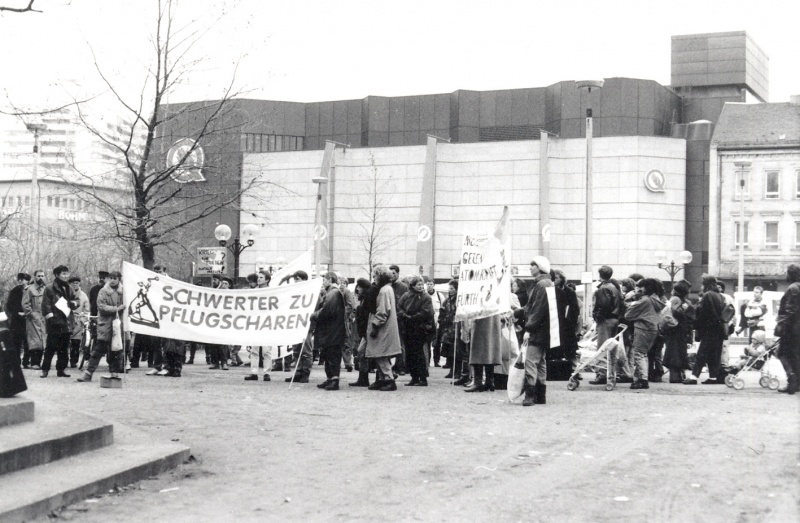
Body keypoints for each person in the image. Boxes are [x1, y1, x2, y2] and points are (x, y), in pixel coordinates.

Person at [518, 256, 555, 406]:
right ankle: (541, 395)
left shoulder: (540, 285)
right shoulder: (547, 283)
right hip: (546, 330)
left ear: (539, 267)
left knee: (531, 361)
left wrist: (529, 328)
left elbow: (537, 309)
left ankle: (530, 395)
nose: (530, 268)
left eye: (533, 265)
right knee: (541, 362)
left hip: (537, 330)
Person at [77, 271, 125, 382]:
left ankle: (114, 373)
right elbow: (101, 306)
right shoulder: (103, 291)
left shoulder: (124, 292)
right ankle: (88, 373)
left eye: (115, 278)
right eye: (110, 278)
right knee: (98, 350)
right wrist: (117, 309)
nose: (112, 280)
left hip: (117, 325)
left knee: (116, 350)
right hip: (105, 324)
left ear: (119, 279)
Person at [623, 278, 665, 390]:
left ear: (646, 288)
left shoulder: (644, 300)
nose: (638, 289)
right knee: (643, 354)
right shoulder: (655, 300)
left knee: (639, 354)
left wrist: (633, 302)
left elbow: (628, 315)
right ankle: (639, 378)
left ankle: (642, 380)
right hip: (652, 329)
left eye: (640, 287)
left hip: (643, 328)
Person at [684, 275, 726, 385]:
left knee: (702, 353)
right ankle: (713, 377)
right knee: (714, 355)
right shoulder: (719, 295)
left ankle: (693, 377)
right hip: (719, 330)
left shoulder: (707, 295)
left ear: (706, 284)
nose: (701, 286)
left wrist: (695, 321)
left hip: (709, 329)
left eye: (703, 283)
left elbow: (703, 312)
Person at [365, 265, 402, 391]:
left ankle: (389, 379)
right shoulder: (388, 289)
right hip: (386, 326)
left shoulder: (384, 291)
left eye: (375, 276)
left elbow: (382, 310)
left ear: (380, 276)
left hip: (382, 328)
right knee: (380, 353)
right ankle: (382, 379)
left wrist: (375, 325)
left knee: (380, 354)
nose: (374, 278)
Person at [40, 265, 79, 378]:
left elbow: (76, 299)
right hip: (54, 322)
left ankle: (61, 370)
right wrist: (51, 319)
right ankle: (45, 370)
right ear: (57, 275)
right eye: (63, 274)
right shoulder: (49, 288)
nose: (66, 276)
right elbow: (45, 305)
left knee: (64, 347)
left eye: (67, 273)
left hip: (66, 321)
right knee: (50, 347)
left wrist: (74, 303)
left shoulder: (69, 288)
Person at [397, 275, 435, 387]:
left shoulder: (426, 297)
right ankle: (414, 378)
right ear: (412, 285)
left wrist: (411, 317)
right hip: (408, 329)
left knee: (419, 354)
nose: (420, 287)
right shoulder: (406, 296)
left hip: (420, 329)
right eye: (418, 284)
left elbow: (426, 312)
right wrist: (405, 316)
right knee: (409, 354)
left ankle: (422, 378)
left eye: (421, 284)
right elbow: (399, 307)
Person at [589, 266, 623, 385]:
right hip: (614, 319)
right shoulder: (614, 287)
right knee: (612, 348)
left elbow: (603, 306)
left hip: (606, 320)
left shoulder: (603, 288)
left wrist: (597, 316)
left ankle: (602, 374)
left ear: (600, 275)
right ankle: (611, 373)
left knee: (602, 347)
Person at [313, 272, 347, 391]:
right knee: (328, 354)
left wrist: (315, 315)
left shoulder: (333, 293)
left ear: (330, 280)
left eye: (324, 280)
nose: (323, 282)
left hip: (333, 331)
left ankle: (334, 379)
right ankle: (330, 378)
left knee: (333, 355)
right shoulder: (332, 292)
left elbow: (327, 310)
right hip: (331, 330)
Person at [245, 270, 276, 382]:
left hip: (267, 323)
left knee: (266, 350)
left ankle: (267, 372)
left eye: (261, 277)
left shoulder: (272, 291)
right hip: (255, 323)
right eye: (258, 277)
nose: (258, 279)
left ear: (267, 279)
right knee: (254, 349)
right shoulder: (253, 292)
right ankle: (254, 372)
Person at [661, 280, 694, 383]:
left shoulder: (676, 299)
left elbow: (673, 312)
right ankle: (676, 376)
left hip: (674, 329)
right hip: (680, 330)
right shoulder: (684, 301)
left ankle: (675, 376)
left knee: (674, 352)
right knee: (678, 352)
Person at [284, 270, 313, 384]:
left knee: (306, 350)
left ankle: (305, 373)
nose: (296, 281)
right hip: (295, 324)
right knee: (296, 350)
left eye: (298, 279)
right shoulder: (293, 291)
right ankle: (298, 372)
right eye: (295, 279)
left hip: (305, 324)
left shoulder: (310, 291)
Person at [775, 263, 800, 394]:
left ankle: (791, 378)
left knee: (782, 353)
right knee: (795, 355)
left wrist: (782, 325)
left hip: (792, 327)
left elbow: (791, 310)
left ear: (791, 274)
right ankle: (797, 383)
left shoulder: (793, 288)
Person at [348, 278, 375, 387]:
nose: (357, 289)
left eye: (359, 286)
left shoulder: (368, 299)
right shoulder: (363, 298)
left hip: (368, 330)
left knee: (365, 352)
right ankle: (363, 378)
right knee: (361, 352)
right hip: (365, 331)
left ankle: (385, 375)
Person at [21, 269, 47, 370]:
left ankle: (38, 362)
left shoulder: (46, 289)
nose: (40, 278)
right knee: (34, 340)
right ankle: (34, 363)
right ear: (35, 277)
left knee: (42, 340)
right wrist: (31, 314)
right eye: (38, 276)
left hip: (44, 317)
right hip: (33, 318)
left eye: (42, 276)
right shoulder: (29, 289)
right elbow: (25, 304)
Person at [4, 273, 31, 368]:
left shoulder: (32, 290)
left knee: (28, 341)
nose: (20, 281)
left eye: (23, 279)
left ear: (27, 280)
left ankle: (26, 362)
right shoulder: (14, 291)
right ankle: (17, 362)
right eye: (19, 279)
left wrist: (27, 313)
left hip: (29, 319)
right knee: (16, 341)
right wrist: (17, 313)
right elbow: (9, 305)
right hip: (16, 320)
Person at [389, 264, 408, 375]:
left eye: (394, 273)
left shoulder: (403, 287)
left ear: (398, 273)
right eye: (390, 273)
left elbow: (406, 304)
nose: (392, 275)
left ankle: (401, 366)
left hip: (400, 320)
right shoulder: (388, 286)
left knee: (400, 344)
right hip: (390, 319)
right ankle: (394, 365)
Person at [435, 280, 458, 377]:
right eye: (450, 288)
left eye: (452, 288)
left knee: (456, 351)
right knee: (449, 351)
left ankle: (456, 371)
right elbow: (442, 312)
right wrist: (441, 321)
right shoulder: (447, 300)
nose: (450, 290)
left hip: (455, 328)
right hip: (447, 329)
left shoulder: (458, 300)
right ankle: (452, 370)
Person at [67, 276, 90, 368]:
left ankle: (74, 361)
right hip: (67, 320)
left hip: (78, 321)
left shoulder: (83, 296)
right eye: (73, 283)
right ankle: (63, 360)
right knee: (65, 342)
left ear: (79, 284)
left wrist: (82, 320)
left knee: (76, 342)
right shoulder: (66, 294)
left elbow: (87, 310)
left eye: (76, 283)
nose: (75, 285)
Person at [339, 274, 358, 372]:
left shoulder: (347, 292)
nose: (341, 285)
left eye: (343, 283)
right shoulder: (337, 292)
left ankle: (348, 363)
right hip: (340, 320)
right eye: (340, 282)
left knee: (346, 342)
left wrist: (344, 315)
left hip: (344, 320)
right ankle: (345, 363)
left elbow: (351, 306)